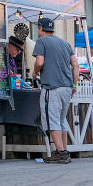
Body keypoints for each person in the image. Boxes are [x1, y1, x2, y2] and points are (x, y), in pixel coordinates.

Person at [32, 17, 79, 164]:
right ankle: (64, 150)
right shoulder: (65, 43)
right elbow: (75, 64)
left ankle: (61, 153)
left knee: (52, 120)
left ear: (40, 28)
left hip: (52, 87)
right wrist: (75, 85)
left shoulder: (41, 41)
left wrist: (34, 73)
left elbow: (40, 61)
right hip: (67, 87)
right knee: (61, 120)